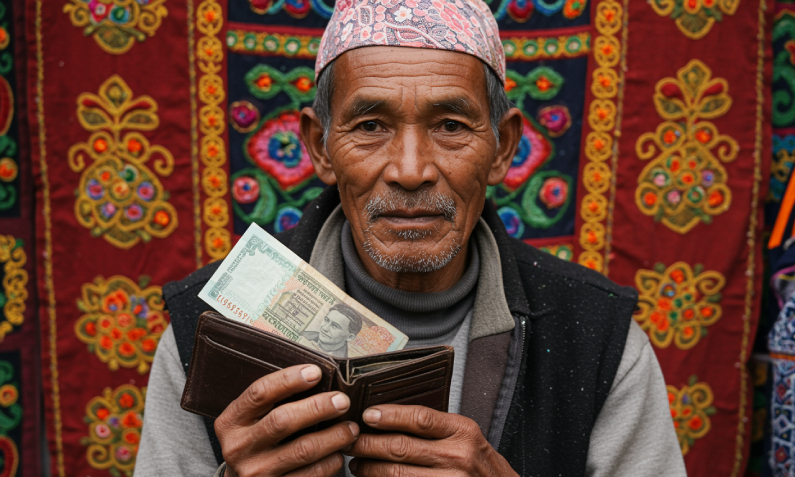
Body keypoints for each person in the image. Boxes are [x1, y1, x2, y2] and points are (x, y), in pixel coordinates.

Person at [134, 0, 687, 475]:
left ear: (502, 148)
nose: (410, 169)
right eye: (370, 126)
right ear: (320, 147)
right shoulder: (209, 326)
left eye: (450, 126)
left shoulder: (596, 337)